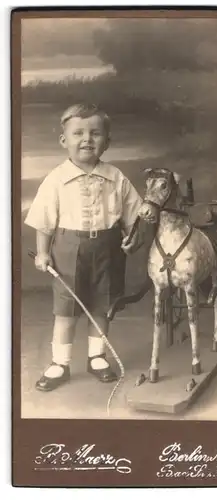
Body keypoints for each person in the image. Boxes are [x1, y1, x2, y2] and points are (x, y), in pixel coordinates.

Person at [24, 103, 142, 391]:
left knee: (102, 305)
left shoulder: (116, 177)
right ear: (64, 141)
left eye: (95, 133)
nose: (87, 139)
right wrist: (42, 252)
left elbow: (133, 216)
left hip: (108, 248)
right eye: (78, 133)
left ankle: (97, 356)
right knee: (66, 309)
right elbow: (44, 221)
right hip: (67, 248)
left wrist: (132, 237)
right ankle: (59, 363)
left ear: (107, 141)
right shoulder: (56, 179)